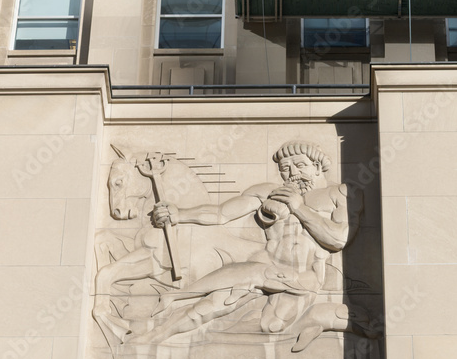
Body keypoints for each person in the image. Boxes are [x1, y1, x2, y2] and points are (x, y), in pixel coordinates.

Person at [136, 140, 364, 344]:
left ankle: (326, 317)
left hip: (303, 277)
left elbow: (338, 238)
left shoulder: (340, 194)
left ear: (317, 166)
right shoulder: (268, 193)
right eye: (285, 168)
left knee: (270, 326)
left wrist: (299, 207)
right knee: (211, 306)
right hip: (264, 265)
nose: (293, 173)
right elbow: (220, 214)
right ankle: (156, 334)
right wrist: (179, 214)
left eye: (300, 165)